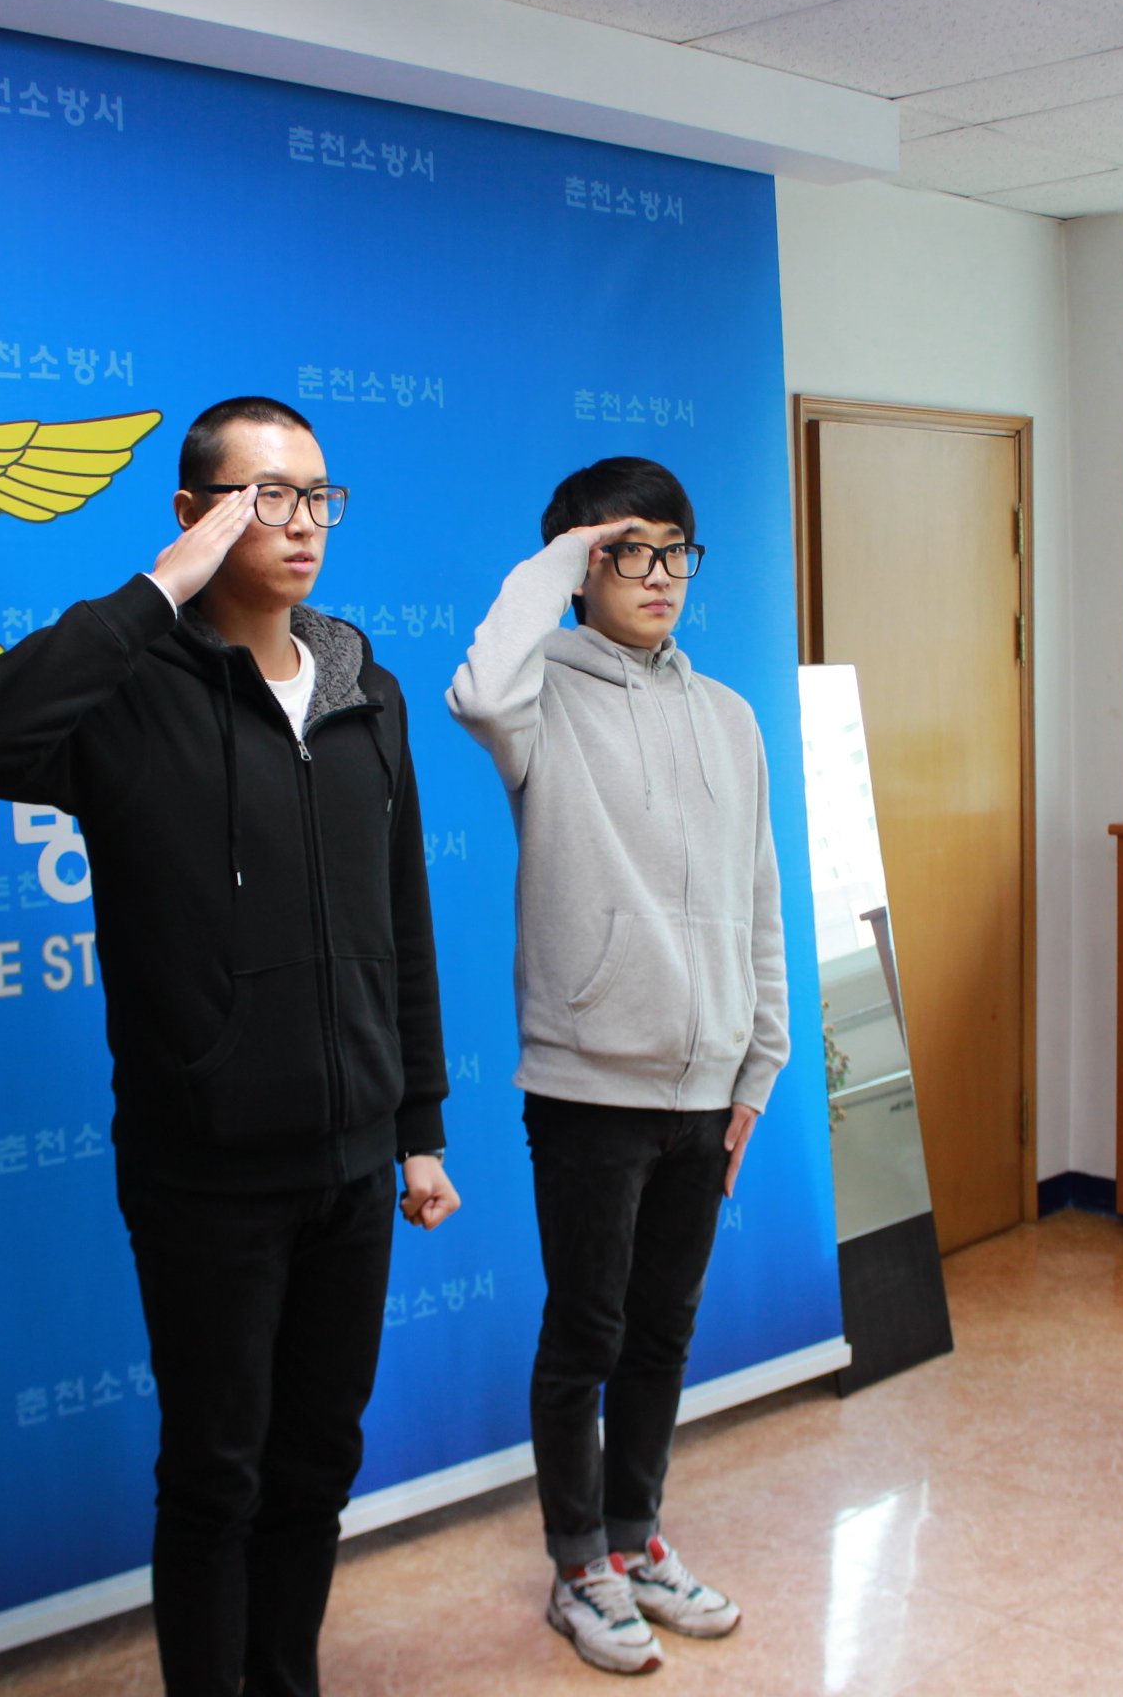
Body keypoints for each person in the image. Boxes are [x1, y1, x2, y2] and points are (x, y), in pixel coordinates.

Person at [0, 395, 460, 1697]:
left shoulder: (367, 690)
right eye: (265, 496)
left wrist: (419, 1128)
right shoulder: (129, 695)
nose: (301, 523)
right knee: (218, 1475)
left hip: (355, 1167)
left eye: (317, 497)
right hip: (207, 1173)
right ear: (193, 513)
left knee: (316, 1465)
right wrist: (158, 591)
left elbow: (402, 919)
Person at [447, 457, 788, 1676]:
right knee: (585, 1332)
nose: (658, 575)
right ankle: (577, 1564)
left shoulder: (730, 715)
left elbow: (760, 895)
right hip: (590, 1083)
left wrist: (761, 1061)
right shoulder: (538, 695)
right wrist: (557, 557)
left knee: (663, 1332)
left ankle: (637, 1538)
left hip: (709, 1086)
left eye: (674, 551)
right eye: (626, 552)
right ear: (581, 566)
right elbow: (475, 689)